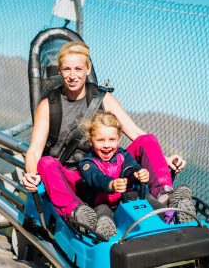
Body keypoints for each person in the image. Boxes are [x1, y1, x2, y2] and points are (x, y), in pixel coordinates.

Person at [22, 41, 191, 234]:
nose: (72, 75)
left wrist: (164, 159)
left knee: (148, 140)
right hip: (73, 178)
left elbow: (136, 134)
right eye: (66, 69)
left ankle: (166, 197)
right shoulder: (48, 106)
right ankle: (79, 213)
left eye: (78, 68)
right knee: (45, 163)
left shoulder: (103, 99)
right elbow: (34, 151)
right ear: (60, 71)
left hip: (109, 168)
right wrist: (31, 175)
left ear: (88, 69)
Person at [79, 111, 195, 237]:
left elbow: (131, 167)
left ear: (118, 139)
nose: (106, 145)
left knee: (146, 198)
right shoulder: (87, 162)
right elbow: (95, 177)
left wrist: (138, 174)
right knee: (102, 212)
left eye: (111, 140)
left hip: (127, 199)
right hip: (103, 203)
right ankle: (106, 230)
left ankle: (172, 216)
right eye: (100, 140)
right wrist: (111, 184)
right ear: (91, 141)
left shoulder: (123, 155)